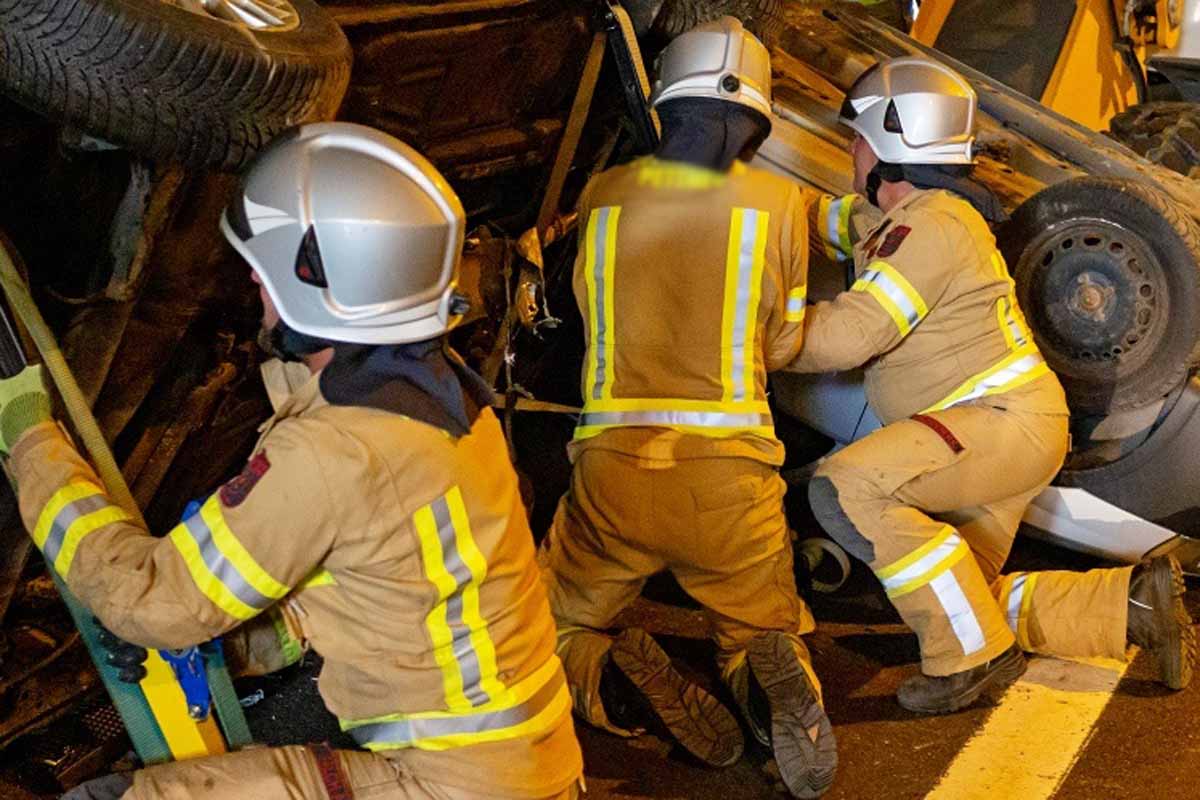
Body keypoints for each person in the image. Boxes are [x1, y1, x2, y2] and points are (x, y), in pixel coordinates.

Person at [1, 122, 583, 798]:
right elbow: (365, 598)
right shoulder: (451, 404)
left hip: (444, 785)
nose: (253, 277)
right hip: (533, 769)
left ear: (319, 289)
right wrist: (227, 650)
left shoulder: (335, 452)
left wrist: (31, 439)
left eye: (267, 266)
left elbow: (150, 599)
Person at [790, 56, 1196, 713]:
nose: (851, 154)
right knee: (949, 594)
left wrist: (744, 336)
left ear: (889, 145)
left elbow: (848, 338)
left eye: (857, 140)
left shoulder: (932, 226)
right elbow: (821, 219)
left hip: (997, 424)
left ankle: (972, 662)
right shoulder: (914, 217)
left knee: (847, 487)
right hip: (1009, 429)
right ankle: (1130, 607)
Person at [538, 17, 837, 799]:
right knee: (757, 627)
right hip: (728, 479)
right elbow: (782, 343)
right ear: (754, 121)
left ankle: (613, 680)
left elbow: (583, 316)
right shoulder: (779, 202)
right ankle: (766, 682)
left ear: (665, 103)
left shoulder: (602, 196)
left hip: (611, 474)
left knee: (549, 625)